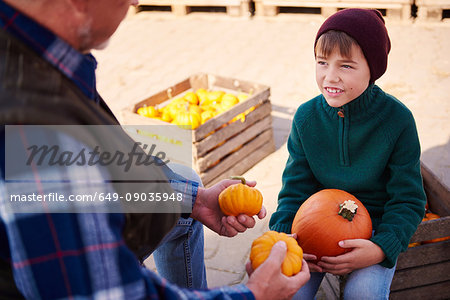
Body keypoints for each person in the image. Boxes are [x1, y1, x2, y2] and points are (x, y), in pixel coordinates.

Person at [0, 0, 310, 299]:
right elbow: (112, 294)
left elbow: (100, 157)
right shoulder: (38, 120)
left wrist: (196, 200)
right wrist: (253, 295)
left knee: (185, 190)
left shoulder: (34, 57)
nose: (136, 2)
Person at [269, 8, 426, 300]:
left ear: (373, 69)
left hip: (373, 232)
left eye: (346, 66)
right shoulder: (306, 118)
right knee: (287, 292)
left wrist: (381, 247)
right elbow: (294, 189)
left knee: (363, 294)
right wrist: (285, 235)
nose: (330, 76)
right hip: (312, 229)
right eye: (322, 63)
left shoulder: (398, 120)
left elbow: (409, 199)